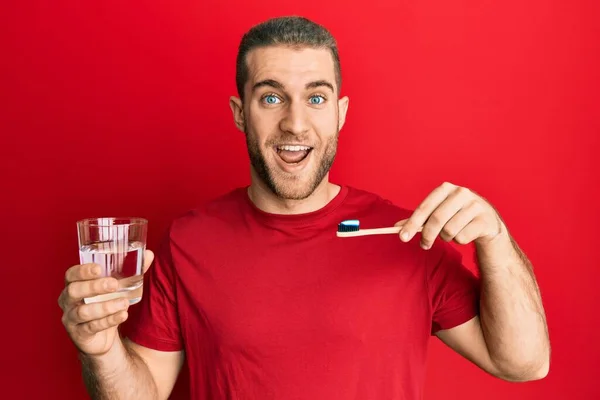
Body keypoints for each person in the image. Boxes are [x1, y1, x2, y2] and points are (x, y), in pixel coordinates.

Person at [58, 16, 550, 400]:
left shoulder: (405, 236)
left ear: (340, 113)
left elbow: (524, 364)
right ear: (239, 114)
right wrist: (101, 351)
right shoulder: (188, 241)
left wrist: (495, 240)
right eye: (271, 97)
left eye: (316, 98)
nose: (295, 123)